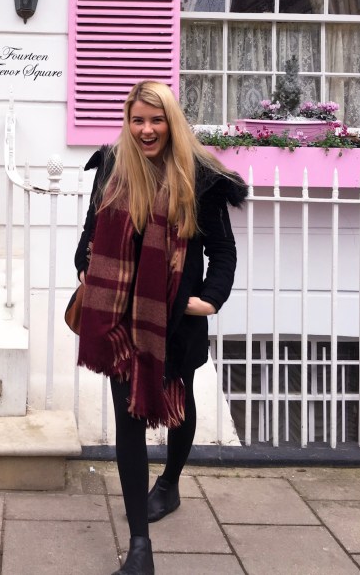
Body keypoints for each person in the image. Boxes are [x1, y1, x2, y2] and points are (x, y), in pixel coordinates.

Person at [74, 80, 247, 575]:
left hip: (175, 320)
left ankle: (169, 483)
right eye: (137, 120)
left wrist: (209, 300)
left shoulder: (200, 176)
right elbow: (89, 233)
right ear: (128, 123)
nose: (147, 130)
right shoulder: (111, 166)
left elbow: (223, 251)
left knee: (181, 403)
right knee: (127, 421)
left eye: (156, 120)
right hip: (120, 323)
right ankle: (139, 545)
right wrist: (84, 266)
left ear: (171, 122)